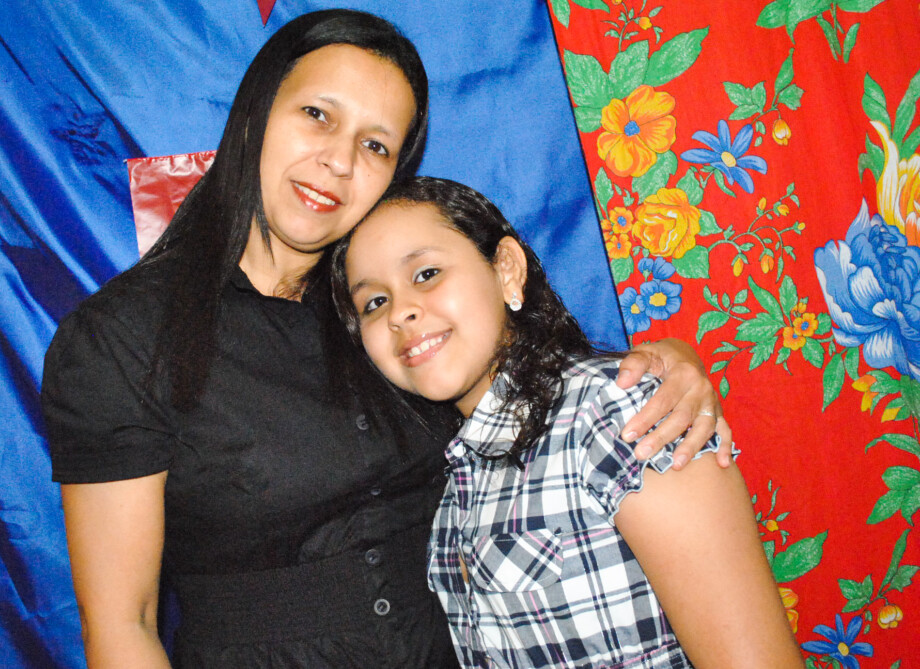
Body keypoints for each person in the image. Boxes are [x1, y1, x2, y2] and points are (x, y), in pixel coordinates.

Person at [41, 9, 729, 669]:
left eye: (375, 145)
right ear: (255, 113)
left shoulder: (388, 315)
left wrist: (670, 360)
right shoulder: (123, 339)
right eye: (318, 115)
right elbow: (123, 626)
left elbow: (539, 400)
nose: (339, 160)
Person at [331, 176, 803, 668]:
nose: (400, 313)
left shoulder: (615, 412)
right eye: (374, 303)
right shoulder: (454, 485)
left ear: (507, 269)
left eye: (426, 273)